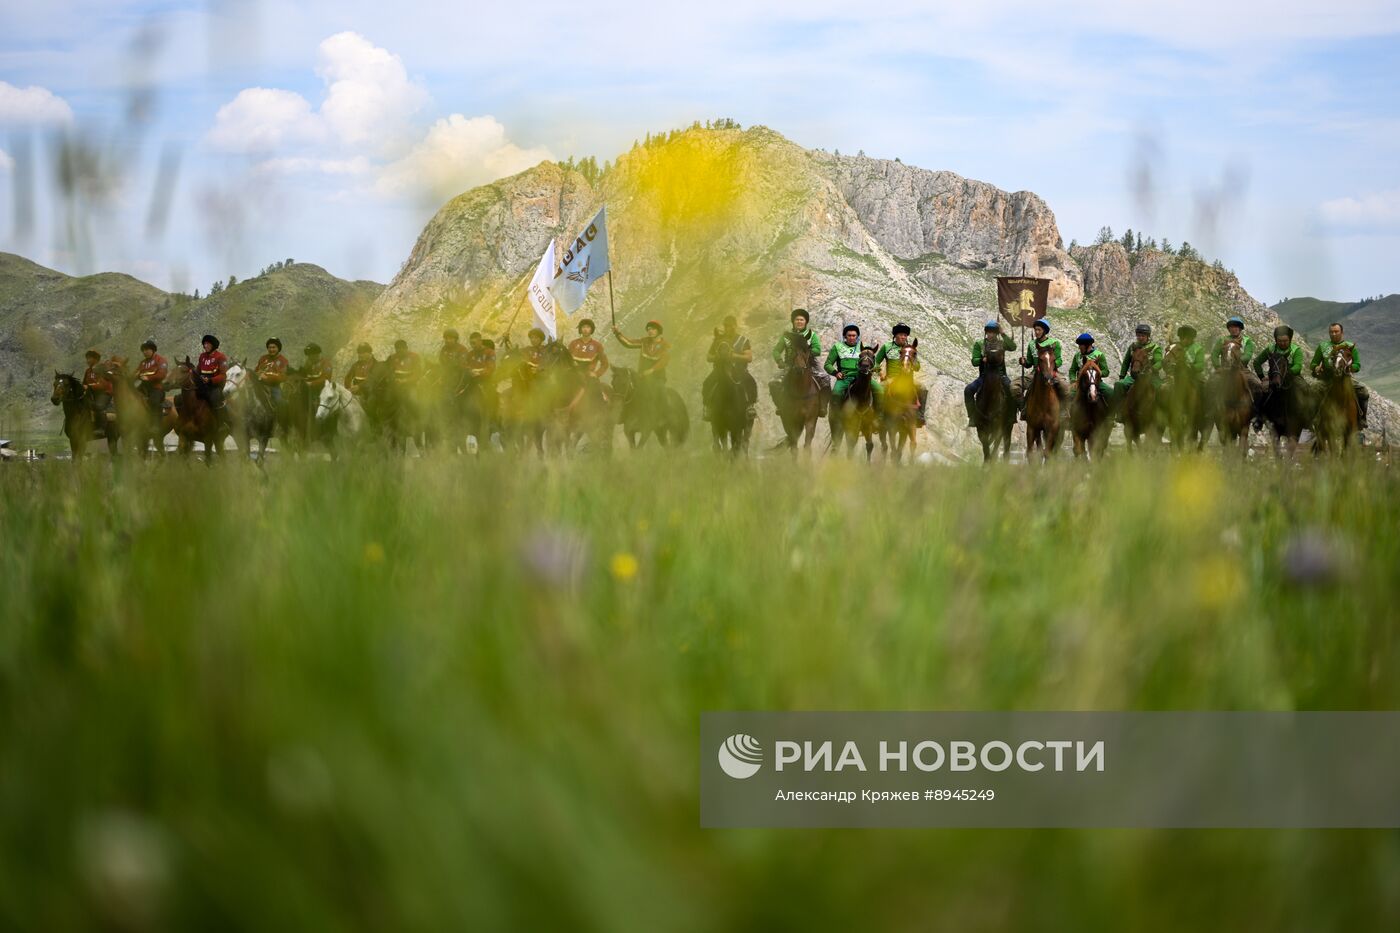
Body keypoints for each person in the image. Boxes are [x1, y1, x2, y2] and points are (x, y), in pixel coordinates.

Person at [1310, 321, 1370, 440]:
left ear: (1342, 332)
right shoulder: (1323, 346)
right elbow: (1313, 364)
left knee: (1364, 391)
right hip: (1327, 379)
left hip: (1345, 378)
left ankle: (1362, 419)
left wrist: (1350, 367)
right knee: (1313, 388)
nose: (1333, 334)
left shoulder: (1350, 346)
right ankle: (1313, 418)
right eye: (1331, 332)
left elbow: (1357, 365)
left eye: (1336, 331)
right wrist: (1316, 367)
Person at [770, 308, 828, 416]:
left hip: (809, 366)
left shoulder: (811, 335)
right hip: (789, 366)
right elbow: (776, 351)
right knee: (773, 383)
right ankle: (780, 406)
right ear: (793, 321)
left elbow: (817, 350)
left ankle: (822, 407)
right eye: (797, 319)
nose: (799, 322)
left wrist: (806, 352)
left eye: (802, 320)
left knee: (825, 379)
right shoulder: (786, 336)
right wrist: (779, 361)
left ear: (806, 322)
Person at [702, 315, 757, 422]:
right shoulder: (718, 340)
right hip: (720, 371)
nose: (729, 328)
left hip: (739, 370)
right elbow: (709, 357)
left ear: (735, 326)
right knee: (707, 383)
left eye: (731, 326)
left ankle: (750, 406)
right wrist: (717, 357)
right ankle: (707, 408)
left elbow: (749, 357)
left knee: (751, 381)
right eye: (726, 326)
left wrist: (734, 356)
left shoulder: (743, 340)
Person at [964, 320, 1016, 427]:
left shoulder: (1002, 343)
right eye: (988, 332)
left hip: (1001, 375)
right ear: (986, 332)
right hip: (984, 376)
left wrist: (1003, 333)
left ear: (996, 333)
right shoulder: (979, 344)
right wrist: (981, 360)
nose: (990, 334)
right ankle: (972, 416)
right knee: (968, 390)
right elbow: (974, 361)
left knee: (1012, 389)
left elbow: (1013, 347)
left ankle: (1011, 415)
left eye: (993, 332)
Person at [874, 323, 927, 425]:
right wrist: (880, 372)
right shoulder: (887, 347)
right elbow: (876, 361)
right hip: (892, 378)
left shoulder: (910, 349)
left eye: (905, 335)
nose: (904, 337)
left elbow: (917, 367)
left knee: (923, 388)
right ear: (895, 335)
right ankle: (878, 416)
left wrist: (913, 362)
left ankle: (920, 415)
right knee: (879, 388)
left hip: (907, 380)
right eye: (901, 334)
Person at [825, 323, 883, 407]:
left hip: (862, 377)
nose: (851, 338)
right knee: (836, 393)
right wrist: (836, 373)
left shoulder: (863, 348)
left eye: (854, 335)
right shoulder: (837, 347)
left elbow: (872, 362)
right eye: (849, 335)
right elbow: (827, 364)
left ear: (857, 336)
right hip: (845, 377)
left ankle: (878, 416)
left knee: (879, 390)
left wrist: (874, 369)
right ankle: (835, 417)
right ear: (845, 336)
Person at [1114, 324, 1163, 415]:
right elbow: (1126, 362)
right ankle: (1119, 411)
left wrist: (1152, 369)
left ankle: (1162, 414)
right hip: (1134, 376)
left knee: (1162, 389)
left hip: (1151, 376)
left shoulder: (1155, 348)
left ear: (1148, 336)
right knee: (1119, 385)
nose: (1140, 338)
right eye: (1138, 335)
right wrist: (1122, 376)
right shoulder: (1133, 347)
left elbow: (1159, 362)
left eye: (1143, 336)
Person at [1019, 317, 1069, 407]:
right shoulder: (1032, 344)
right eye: (1035, 330)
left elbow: (1059, 360)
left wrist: (1049, 366)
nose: (1036, 332)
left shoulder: (1054, 343)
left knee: (1065, 387)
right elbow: (1029, 363)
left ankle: (1064, 410)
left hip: (1052, 372)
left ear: (1044, 331)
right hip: (1034, 373)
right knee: (1014, 386)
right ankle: (1023, 407)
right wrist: (1024, 362)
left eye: (1039, 330)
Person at [195, 334, 231, 428]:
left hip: (215, 386)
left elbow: (223, 375)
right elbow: (198, 370)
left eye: (208, 344)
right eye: (204, 344)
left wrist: (211, 380)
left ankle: (222, 423)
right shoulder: (202, 356)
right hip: (203, 384)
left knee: (215, 398)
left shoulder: (221, 357)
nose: (205, 346)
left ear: (213, 345)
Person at [567, 319, 610, 393]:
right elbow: (566, 360)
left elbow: (605, 364)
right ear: (580, 329)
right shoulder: (573, 343)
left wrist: (596, 374)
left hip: (589, 378)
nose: (585, 329)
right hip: (573, 375)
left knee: (596, 395)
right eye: (583, 327)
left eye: (588, 327)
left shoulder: (597, 345)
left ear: (591, 329)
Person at [81, 349, 113, 433]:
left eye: (90, 358)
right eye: (87, 358)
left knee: (98, 406)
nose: (87, 360)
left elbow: (103, 384)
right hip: (91, 393)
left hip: (104, 392)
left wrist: (89, 387)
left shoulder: (102, 368)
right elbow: (84, 383)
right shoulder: (87, 371)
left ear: (96, 359)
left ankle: (102, 428)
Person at [134, 339, 168, 410]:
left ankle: (157, 420)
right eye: (143, 350)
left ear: (153, 350)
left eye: (146, 350)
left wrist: (148, 378)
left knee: (153, 403)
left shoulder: (160, 360)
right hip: (143, 387)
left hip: (156, 388)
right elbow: (136, 373)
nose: (144, 352)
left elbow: (162, 375)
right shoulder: (142, 363)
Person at [254, 338, 289, 407]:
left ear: (278, 348)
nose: (271, 350)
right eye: (269, 347)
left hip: (273, 387)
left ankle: (281, 417)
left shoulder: (283, 361)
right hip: (259, 385)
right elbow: (256, 370)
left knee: (280, 402)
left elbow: (283, 377)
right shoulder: (263, 358)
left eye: (274, 347)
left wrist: (267, 377)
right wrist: (258, 374)